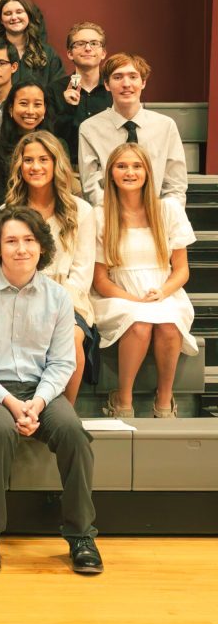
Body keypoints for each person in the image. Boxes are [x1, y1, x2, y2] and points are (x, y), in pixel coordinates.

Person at [0, 206, 101, 575]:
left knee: (73, 432)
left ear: (42, 246)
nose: (21, 248)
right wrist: (10, 403)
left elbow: (62, 363)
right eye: (11, 241)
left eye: (29, 240)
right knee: (0, 429)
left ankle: (81, 536)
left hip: (40, 391)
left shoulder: (58, 297)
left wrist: (36, 402)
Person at [92, 144, 196, 418]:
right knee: (139, 324)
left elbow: (182, 270)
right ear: (110, 173)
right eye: (122, 166)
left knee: (169, 326)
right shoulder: (100, 215)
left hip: (163, 291)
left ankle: (164, 401)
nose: (130, 172)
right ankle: (123, 400)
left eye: (137, 166)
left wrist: (162, 292)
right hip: (118, 295)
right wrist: (134, 300)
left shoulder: (168, 210)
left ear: (148, 172)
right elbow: (100, 280)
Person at [5, 131, 96, 404]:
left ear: (56, 164)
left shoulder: (81, 211)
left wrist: (51, 305)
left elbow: (82, 273)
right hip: (18, 297)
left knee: (71, 338)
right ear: (19, 166)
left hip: (69, 299)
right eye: (28, 160)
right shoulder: (7, 211)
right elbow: (5, 267)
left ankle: (64, 412)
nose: (36, 166)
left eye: (43, 159)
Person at [78, 53, 187, 208]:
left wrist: (162, 215)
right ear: (107, 84)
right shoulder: (90, 129)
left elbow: (176, 185)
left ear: (143, 82)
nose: (126, 84)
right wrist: (114, 214)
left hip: (157, 214)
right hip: (108, 213)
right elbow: (91, 186)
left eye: (133, 77)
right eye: (118, 77)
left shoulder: (165, 126)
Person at [0, 81, 56, 208]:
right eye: (23, 103)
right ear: (10, 108)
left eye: (37, 104)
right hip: (11, 215)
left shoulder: (56, 147)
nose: (30, 111)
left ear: (44, 109)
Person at [48, 22, 110, 157]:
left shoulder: (113, 88)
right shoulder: (54, 90)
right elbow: (52, 137)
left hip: (108, 163)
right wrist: (68, 108)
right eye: (80, 44)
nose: (88, 48)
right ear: (70, 54)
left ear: (103, 53)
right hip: (68, 165)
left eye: (94, 43)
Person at [0, 0, 63, 89]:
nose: (14, 17)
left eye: (19, 12)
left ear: (28, 15)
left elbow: (57, 90)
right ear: (1, 20)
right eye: (8, 13)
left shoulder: (47, 53)